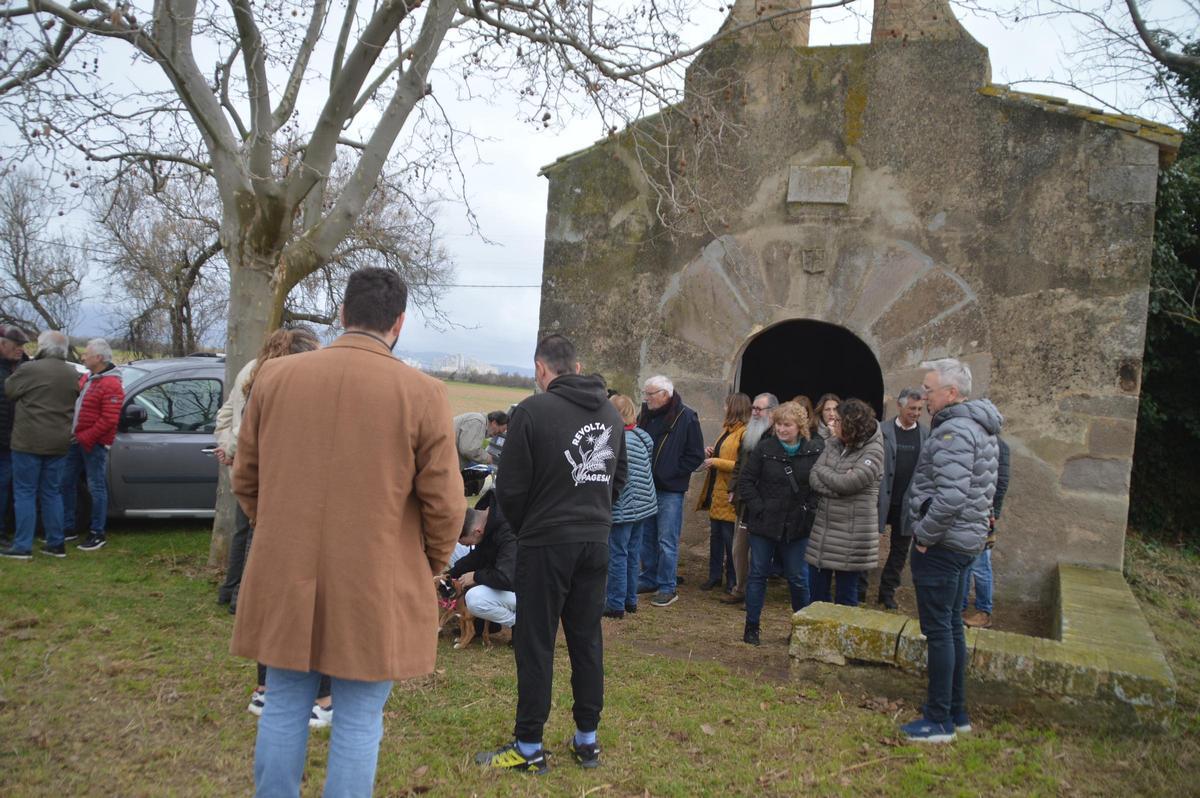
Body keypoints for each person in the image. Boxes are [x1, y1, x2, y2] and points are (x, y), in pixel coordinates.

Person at [230, 267, 464, 795]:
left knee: (284, 704)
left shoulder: (275, 377)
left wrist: (279, 533)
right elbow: (446, 505)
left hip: (286, 570)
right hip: (375, 578)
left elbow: (245, 478)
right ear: (399, 323)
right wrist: (426, 564)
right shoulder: (423, 392)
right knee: (359, 717)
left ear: (342, 314)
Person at [476, 334, 626, 775]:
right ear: (577, 367)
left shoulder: (532, 410)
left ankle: (528, 746)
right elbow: (618, 480)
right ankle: (587, 741)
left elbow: (511, 488)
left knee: (536, 641)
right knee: (586, 638)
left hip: (546, 541)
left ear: (542, 370)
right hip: (596, 540)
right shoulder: (612, 414)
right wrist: (596, 517)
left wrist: (528, 530)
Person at [900, 358, 1001, 744]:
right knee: (952, 627)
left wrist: (924, 534)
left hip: (943, 543)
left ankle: (938, 720)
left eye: (929, 389)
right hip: (965, 542)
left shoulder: (954, 432)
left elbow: (953, 496)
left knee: (940, 630)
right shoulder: (980, 427)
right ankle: (957, 713)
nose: (924, 396)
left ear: (951, 393)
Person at [215, 326, 321, 613]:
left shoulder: (252, 369)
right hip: (265, 467)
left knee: (242, 530)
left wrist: (227, 449)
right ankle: (241, 599)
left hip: (244, 464)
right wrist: (234, 449)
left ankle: (229, 589)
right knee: (255, 533)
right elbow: (249, 424)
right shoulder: (278, 378)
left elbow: (226, 415)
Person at [736, 401, 823, 646]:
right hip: (765, 522)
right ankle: (752, 626)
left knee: (797, 577)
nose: (782, 430)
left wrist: (810, 508)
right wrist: (759, 508)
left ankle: (800, 629)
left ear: (799, 426)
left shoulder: (814, 451)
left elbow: (819, 485)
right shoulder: (764, 449)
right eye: (779, 425)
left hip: (797, 524)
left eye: (787, 425)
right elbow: (747, 482)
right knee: (758, 574)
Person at [1, 331, 79, 560]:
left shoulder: (30, 369)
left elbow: (9, 390)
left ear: (42, 347)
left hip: (28, 441)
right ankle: (56, 543)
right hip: (59, 442)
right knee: (52, 492)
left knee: (25, 493)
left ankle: (22, 545)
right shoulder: (72, 373)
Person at [806, 398, 884, 606]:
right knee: (816, 594)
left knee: (846, 598)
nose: (834, 423)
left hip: (852, 536)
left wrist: (830, 476)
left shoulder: (873, 451)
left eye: (838, 420)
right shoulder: (832, 444)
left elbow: (848, 484)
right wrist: (835, 483)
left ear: (851, 424)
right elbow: (813, 476)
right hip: (824, 531)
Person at [636, 375, 704, 607]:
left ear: (665, 395)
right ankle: (649, 578)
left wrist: (672, 473)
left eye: (650, 394)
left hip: (670, 490)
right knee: (647, 537)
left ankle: (667, 586)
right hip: (647, 486)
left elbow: (695, 455)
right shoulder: (645, 415)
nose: (646, 399)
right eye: (645, 394)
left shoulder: (686, 417)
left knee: (667, 540)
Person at [60, 338, 124, 551]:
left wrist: (85, 437)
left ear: (98, 358)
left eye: (86, 354)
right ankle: (68, 527)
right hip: (77, 441)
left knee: (96, 486)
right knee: (65, 481)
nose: (82, 357)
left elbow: (109, 420)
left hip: (93, 444)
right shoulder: (90, 378)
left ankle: (98, 532)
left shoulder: (111, 384)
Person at [722, 392, 778, 605]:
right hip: (744, 502)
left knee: (759, 553)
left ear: (771, 412)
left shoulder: (776, 437)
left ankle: (754, 595)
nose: (754, 412)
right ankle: (740, 588)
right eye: (753, 408)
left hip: (764, 504)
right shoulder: (748, 434)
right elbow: (739, 464)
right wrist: (733, 487)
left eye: (758, 409)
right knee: (739, 548)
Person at [875, 388, 928, 609]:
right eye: (912, 408)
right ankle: (858, 588)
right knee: (868, 544)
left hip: (908, 501)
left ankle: (887, 592)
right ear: (900, 406)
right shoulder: (881, 430)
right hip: (881, 498)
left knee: (899, 551)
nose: (916, 413)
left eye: (919, 409)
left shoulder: (926, 434)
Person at [605, 393, 657, 619]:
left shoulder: (615, 440)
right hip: (644, 503)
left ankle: (615, 603)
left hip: (623, 505)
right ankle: (630, 600)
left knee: (617, 553)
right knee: (633, 552)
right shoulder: (643, 436)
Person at [696, 393, 750, 592]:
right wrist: (713, 451)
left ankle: (732, 579)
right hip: (716, 492)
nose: (723, 408)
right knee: (716, 537)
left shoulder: (745, 434)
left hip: (729, 494)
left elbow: (743, 465)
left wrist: (716, 461)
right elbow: (723, 452)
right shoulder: (726, 431)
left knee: (730, 540)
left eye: (726, 405)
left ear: (734, 408)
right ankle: (714, 576)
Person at [448, 497, 517, 633]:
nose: (467, 546)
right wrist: (448, 576)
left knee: (474, 598)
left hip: (531, 587)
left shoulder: (508, 533)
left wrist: (475, 576)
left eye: (468, 543)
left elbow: (506, 578)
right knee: (451, 548)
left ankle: (522, 623)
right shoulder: (487, 519)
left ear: (477, 531)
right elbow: (477, 557)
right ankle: (484, 623)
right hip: (507, 572)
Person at [962, 436, 1010, 629]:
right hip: (966, 512)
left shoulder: (1000, 445)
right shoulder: (972, 440)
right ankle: (959, 607)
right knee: (963, 562)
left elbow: (1002, 481)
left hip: (984, 514)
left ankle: (984, 612)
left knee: (981, 565)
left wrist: (994, 513)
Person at [0, 325, 30, 547]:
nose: (20, 349)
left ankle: (7, 527)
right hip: (3, 436)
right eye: (16, 345)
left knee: (10, 485)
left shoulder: (26, 366)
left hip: (18, 438)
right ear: (2, 344)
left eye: (22, 346)